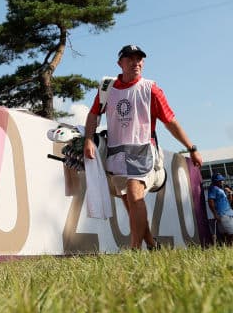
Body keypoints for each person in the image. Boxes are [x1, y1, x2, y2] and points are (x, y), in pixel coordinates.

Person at [83, 44, 203, 249]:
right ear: (120, 63)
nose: (136, 63)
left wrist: (191, 148)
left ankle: (135, 249)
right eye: (130, 59)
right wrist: (87, 139)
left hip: (143, 151)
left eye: (139, 59)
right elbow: (94, 113)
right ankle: (151, 243)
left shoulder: (151, 88)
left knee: (134, 194)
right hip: (116, 154)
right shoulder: (107, 88)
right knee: (130, 203)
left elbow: (170, 121)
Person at [206, 174, 233, 246]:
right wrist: (215, 214)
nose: (222, 181)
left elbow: (229, 202)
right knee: (230, 234)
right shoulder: (213, 188)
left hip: (229, 213)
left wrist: (230, 193)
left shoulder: (221, 189)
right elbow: (210, 201)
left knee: (227, 235)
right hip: (223, 214)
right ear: (215, 181)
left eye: (222, 180)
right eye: (220, 180)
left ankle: (228, 249)